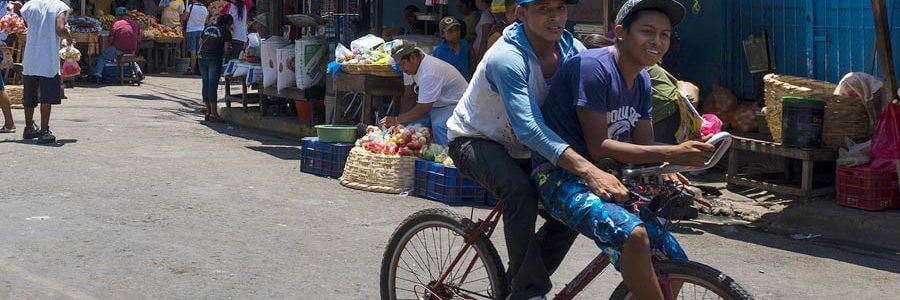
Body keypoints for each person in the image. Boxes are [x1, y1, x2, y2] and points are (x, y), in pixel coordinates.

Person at [446, 0, 630, 298]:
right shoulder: (506, 57)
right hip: (476, 138)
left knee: (573, 205)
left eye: (560, 8)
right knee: (520, 192)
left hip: (528, 148)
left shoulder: (575, 53)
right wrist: (589, 169)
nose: (555, 17)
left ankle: (516, 285)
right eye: (543, 8)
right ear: (521, 14)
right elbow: (528, 127)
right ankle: (530, 290)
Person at [533, 1, 716, 299]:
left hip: (608, 176)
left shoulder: (644, 78)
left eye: (665, 34)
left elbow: (642, 145)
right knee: (633, 236)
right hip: (560, 175)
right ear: (621, 32)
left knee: (674, 260)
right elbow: (599, 145)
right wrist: (671, 153)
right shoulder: (594, 67)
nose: (657, 41)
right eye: (647, 31)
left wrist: (668, 168)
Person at [380, 40, 466, 146]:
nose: (401, 68)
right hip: (435, 105)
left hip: (454, 104)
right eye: (399, 65)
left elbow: (423, 108)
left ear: (412, 57)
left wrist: (397, 120)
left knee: (438, 125)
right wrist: (400, 122)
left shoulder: (429, 72)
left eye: (402, 64)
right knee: (408, 127)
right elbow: (409, 95)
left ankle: (447, 157)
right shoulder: (409, 67)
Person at [20, 0, 70, 144]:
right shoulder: (59, 6)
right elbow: (60, 29)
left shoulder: (29, 5)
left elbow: (21, 15)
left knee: (29, 95)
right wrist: (69, 35)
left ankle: (29, 128)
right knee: (46, 98)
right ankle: (43, 132)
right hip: (47, 59)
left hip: (30, 57)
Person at [198, 13, 232, 121]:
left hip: (202, 58)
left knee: (206, 83)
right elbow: (226, 50)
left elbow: (200, 42)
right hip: (214, 59)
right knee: (212, 85)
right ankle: (214, 114)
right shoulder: (226, 32)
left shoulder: (208, 27)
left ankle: (208, 112)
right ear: (228, 23)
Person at [91, 7, 139, 83]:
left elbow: (111, 39)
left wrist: (109, 46)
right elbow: (138, 38)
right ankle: (139, 72)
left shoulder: (116, 23)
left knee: (103, 56)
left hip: (118, 49)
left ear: (118, 16)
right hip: (132, 49)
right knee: (131, 58)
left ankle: (98, 75)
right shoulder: (135, 24)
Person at [182, 0, 207, 75]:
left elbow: (184, 17)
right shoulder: (205, 8)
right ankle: (199, 69)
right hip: (201, 30)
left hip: (191, 30)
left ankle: (193, 69)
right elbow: (206, 20)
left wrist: (181, 16)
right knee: (199, 50)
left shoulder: (191, 6)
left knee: (193, 50)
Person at [471, 0, 496, 64]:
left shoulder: (486, 15)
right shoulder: (487, 14)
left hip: (482, 52)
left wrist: (480, 58)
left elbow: (484, 39)